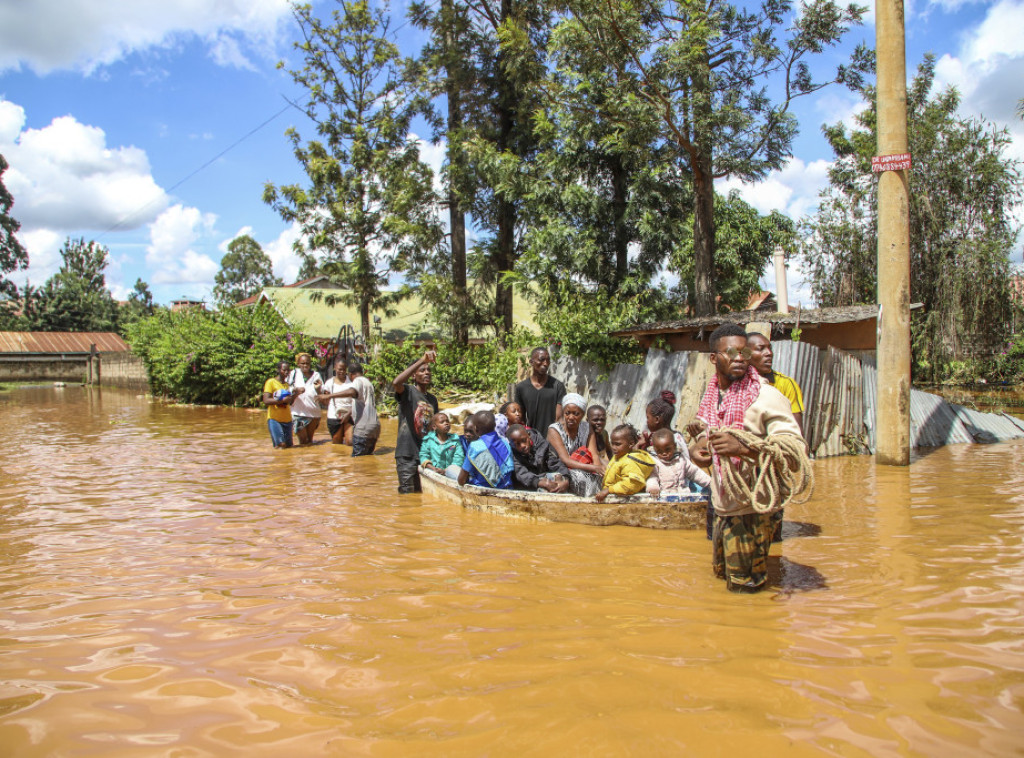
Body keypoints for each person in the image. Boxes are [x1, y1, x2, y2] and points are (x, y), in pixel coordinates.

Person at [691, 324, 802, 593]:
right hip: (724, 506)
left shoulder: (766, 397)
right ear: (714, 359)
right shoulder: (714, 394)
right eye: (731, 352)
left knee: (745, 590)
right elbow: (710, 433)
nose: (739, 357)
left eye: (744, 352)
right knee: (722, 578)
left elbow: (796, 455)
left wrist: (744, 449)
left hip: (753, 509)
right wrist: (701, 449)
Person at [746, 331, 806, 542]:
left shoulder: (785, 385)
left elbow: (795, 432)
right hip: (744, 469)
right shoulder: (734, 387)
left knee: (772, 532)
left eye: (769, 348)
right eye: (760, 349)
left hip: (771, 465)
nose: (768, 353)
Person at [393, 351, 439, 493]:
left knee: (421, 494)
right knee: (408, 495)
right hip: (407, 453)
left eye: (429, 370)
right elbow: (396, 382)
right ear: (413, 375)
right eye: (422, 370)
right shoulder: (408, 391)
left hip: (424, 454)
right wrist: (421, 360)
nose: (427, 373)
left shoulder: (432, 400)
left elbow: (434, 429)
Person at [546, 393, 603, 497]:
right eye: (567, 413)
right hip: (561, 469)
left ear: (583, 414)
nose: (571, 417)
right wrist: (594, 469)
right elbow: (565, 460)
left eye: (576, 414)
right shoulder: (554, 430)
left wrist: (599, 470)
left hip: (584, 466)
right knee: (578, 477)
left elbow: (594, 454)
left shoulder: (587, 428)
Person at [595, 425, 656, 502]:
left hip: (623, 502)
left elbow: (631, 485)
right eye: (612, 443)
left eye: (617, 444)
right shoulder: (619, 456)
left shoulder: (630, 463)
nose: (613, 447)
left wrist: (609, 490)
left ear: (631, 444)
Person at [513, 347, 566, 434]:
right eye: (541, 360)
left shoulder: (557, 386)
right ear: (531, 362)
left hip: (552, 439)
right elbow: (520, 418)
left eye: (548, 360)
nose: (545, 363)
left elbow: (559, 418)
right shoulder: (521, 388)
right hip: (532, 438)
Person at [645, 428, 711, 498]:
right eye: (659, 451)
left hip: (683, 496)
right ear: (655, 450)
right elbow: (652, 477)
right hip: (665, 497)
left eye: (667, 449)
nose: (664, 453)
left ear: (674, 446)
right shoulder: (655, 463)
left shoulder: (681, 460)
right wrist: (653, 488)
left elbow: (694, 473)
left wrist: (710, 482)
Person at [458, 411, 515, 489]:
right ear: (494, 425)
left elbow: (461, 480)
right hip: (506, 486)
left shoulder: (475, 446)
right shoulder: (505, 442)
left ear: (476, 429)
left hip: (483, 488)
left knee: (450, 470)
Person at [507, 423, 570, 493]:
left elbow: (555, 462)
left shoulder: (542, 445)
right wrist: (538, 482)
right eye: (517, 444)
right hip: (528, 485)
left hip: (546, 478)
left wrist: (565, 479)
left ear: (529, 435)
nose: (522, 446)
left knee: (562, 482)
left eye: (524, 440)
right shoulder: (513, 454)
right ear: (512, 445)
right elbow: (521, 474)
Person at [636, 391, 691, 464]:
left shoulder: (669, 441)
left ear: (657, 419)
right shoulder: (677, 436)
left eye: (648, 417)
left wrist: (636, 449)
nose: (647, 421)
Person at [262, 360, 299, 449]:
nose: (286, 372)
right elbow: (266, 400)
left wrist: (296, 394)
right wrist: (281, 401)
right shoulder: (271, 382)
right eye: (284, 370)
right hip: (274, 419)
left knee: (289, 447)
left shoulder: (287, 385)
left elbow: (289, 403)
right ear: (278, 370)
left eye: (288, 370)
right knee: (280, 445)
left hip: (287, 420)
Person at [289, 352, 323, 445]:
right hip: (297, 413)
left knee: (309, 441)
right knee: (303, 441)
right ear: (298, 364)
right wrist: (296, 390)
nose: (305, 365)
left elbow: (321, 394)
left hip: (314, 413)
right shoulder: (294, 374)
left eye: (307, 363)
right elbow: (288, 389)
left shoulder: (316, 375)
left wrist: (318, 388)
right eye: (303, 363)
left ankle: (309, 458)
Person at [419, 412, 464, 479]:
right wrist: (433, 468)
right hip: (433, 470)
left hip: (449, 472)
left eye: (447, 421)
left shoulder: (455, 441)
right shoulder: (428, 440)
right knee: (422, 468)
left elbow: (459, 459)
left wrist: (445, 471)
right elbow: (423, 456)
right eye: (442, 422)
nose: (446, 423)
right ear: (434, 427)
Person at [320, 357, 354, 444]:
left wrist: (349, 413)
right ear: (335, 368)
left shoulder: (351, 382)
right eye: (339, 369)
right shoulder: (329, 383)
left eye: (343, 369)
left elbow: (356, 400)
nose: (341, 371)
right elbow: (325, 402)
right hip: (334, 416)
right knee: (337, 443)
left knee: (350, 441)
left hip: (350, 415)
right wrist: (318, 391)